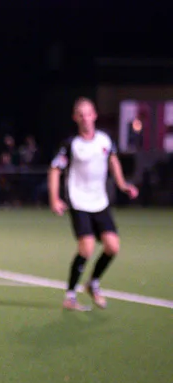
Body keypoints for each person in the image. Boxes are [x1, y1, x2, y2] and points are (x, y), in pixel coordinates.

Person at [49, 97, 139, 311]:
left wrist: (122, 184)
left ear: (95, 116)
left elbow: (113, 160)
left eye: (88, 114)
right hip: (78, 201)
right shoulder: (71, 145)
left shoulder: (104, 140)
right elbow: (55, 169)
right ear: (75, 118)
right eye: (80, 114)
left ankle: (93, 283)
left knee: (112, 246)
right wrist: (54, 198)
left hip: (100, 202)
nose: (85, 118)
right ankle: (70, 296)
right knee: (87, 247)